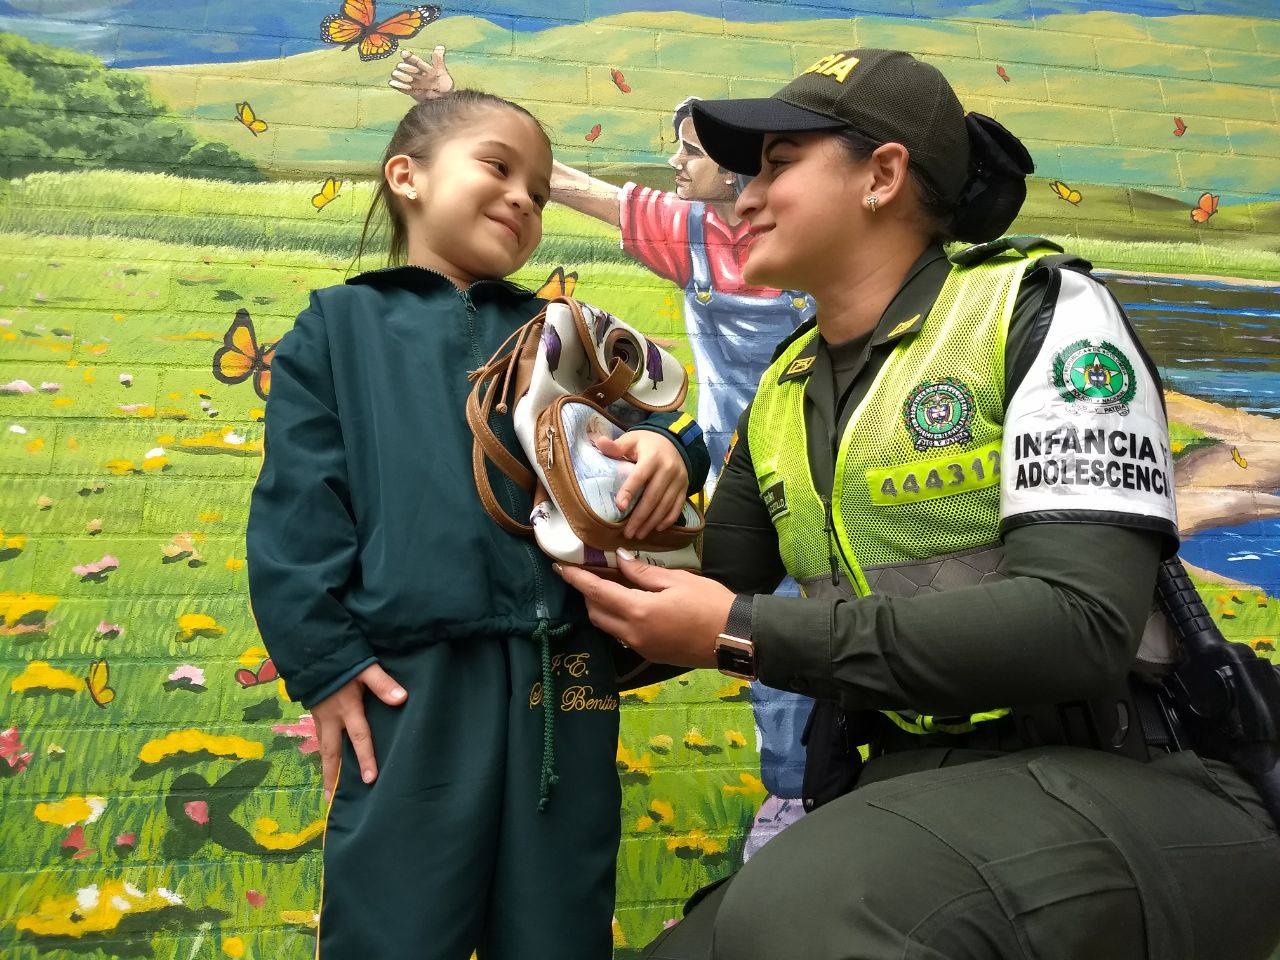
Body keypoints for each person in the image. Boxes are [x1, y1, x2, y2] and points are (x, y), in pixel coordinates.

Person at [559, 49, 1280, 959]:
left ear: (884, 176)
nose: (740, 199)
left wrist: (740, 633)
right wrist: (596, 497)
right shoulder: (784, 387)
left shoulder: (1042, 315)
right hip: (907, 782)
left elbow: (1081, 626)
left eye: (778, 165)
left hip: (1129, 774)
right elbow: (703, 579)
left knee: (809, 906)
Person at [246, 91, 709, 960]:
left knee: (558, 926)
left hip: (564, 677)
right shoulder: (336, 328)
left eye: (537, 189)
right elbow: (295, 514)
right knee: (393, 924)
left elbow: (643, 417)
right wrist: (326, 664)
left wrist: (667, 452)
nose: (523, 199)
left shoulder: (558, 332)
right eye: (499, 167)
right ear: (406, 176)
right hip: (408, 683)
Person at [393, 47, 815, 854]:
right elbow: (573, 186)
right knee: (762, 625)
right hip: (736, 469)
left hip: (817, 460)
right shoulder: (686, 230)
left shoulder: (804, 243)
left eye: (689, 150)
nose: (674, 162)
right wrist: (457, 105)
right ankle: (792, 795)